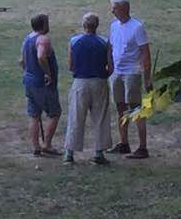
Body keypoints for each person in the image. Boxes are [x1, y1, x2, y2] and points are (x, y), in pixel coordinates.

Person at [63, 13, 112, 165]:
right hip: (99, 81)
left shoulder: (74, 41)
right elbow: (110, 66)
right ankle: (99, 152)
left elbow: (71, 66)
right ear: (96, 26)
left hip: (80, 82)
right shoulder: (105, 41)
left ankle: (69, 153)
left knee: (75, 116)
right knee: (101, 117)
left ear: (84, 25)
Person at [108, 0, 152, 159]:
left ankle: (142, 147)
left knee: (135, 109)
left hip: (132, 73)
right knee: (120, 108)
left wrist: (147, 78)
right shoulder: (114, 26)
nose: (112, 11)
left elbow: (145, 53)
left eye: (114, 8)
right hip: (117, 73)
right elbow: (111, 47)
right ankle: (124, 143)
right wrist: (110, 68)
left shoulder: (137, 27)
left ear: (123, 9)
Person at [20, 12, 61, 157]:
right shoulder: (42, 39)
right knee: (54, 113)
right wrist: (48, 73)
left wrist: (28, 72)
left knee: (34, 115)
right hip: (42, 83)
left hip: (29, 81)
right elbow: (41, 56)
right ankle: (47, 145)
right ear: (43, 25)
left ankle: (36, 147)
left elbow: (22, 61)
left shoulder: (27, 39)